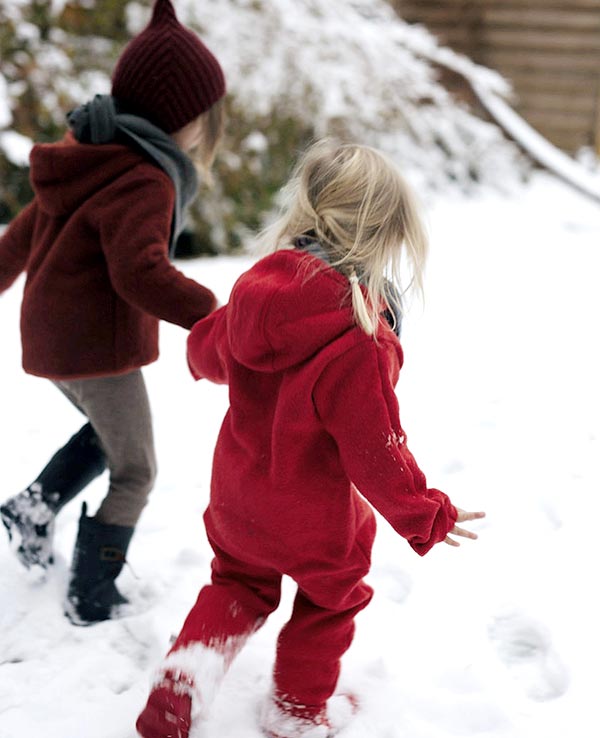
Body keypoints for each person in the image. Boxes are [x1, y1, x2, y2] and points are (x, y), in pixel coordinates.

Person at [135, 140, 486, 738]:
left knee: (238, 584)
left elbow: (209, 348)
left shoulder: (253, 290)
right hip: (315, 517)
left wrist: (199, 355)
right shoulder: (361, 334)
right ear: (386, 236)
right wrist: (425, 513)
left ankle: (182, 686)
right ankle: (295, 711)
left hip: (239, 497)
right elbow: (376, 447)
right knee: (332, 600)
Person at [0, 0, 226, 626]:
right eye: (205, 119)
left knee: (107, 438)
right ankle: (90, 593)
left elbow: (23, 231)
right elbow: (140, 272)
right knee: (137, 468)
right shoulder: (144, 179)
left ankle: (32, 508)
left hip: (52, 340)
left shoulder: (86, 150)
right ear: (182, 119)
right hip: (94, 349)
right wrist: (213, 314)